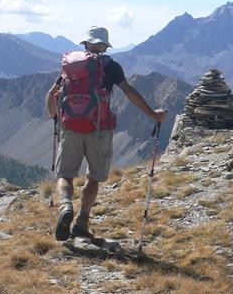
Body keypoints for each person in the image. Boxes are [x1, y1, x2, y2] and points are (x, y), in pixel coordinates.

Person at [45, 26, 167, 240]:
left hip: (70, 127)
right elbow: (128, 91)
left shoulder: (71, 65)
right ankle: (81, 223)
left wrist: (55, 117)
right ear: (104, 45)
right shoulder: (111, 66)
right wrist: (153, 114)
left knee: (65, 175)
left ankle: (65, 205)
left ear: (85, 43)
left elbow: (51, 94)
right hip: (99, 129)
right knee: (93, 178)